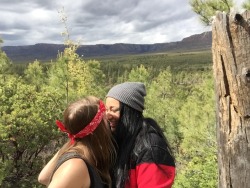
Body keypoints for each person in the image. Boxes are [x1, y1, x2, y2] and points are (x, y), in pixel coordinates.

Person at [105, 82, 176, 188]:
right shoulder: (119, 140)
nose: (107, 115)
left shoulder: (151, 147)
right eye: (106, 110)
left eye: (113, 110)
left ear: (130, 111)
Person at [38, 96, 116, 188]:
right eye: (104, 118)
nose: (108, 118)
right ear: (96, 129)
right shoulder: (75, 166)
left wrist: (76, 137)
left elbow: (44, 177)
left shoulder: (82, 155)